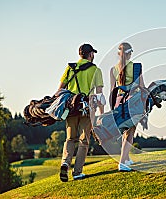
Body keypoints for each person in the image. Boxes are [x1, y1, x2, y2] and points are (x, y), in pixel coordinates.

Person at [58, 43, 105, 181]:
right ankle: (77, 172)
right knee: (83, 140)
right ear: (90, 54)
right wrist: (101, 114)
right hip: (87, 108)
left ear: (80, 54)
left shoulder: (70, 68)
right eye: (93, 54)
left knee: (70, 138)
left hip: (71, 109)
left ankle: (65, 163)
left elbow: (60, 90)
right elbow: (99, 94)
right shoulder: (95, 70)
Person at [110, 42, 144, 171]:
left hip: (119, 103)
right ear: (129, 53)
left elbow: (112, 91)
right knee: (130, 132)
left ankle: (126, 158)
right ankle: (122, 163)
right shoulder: (136, 67)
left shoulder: (113, 70)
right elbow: (142, 86)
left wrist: (113, 108)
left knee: (125, 131)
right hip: (133, 103)